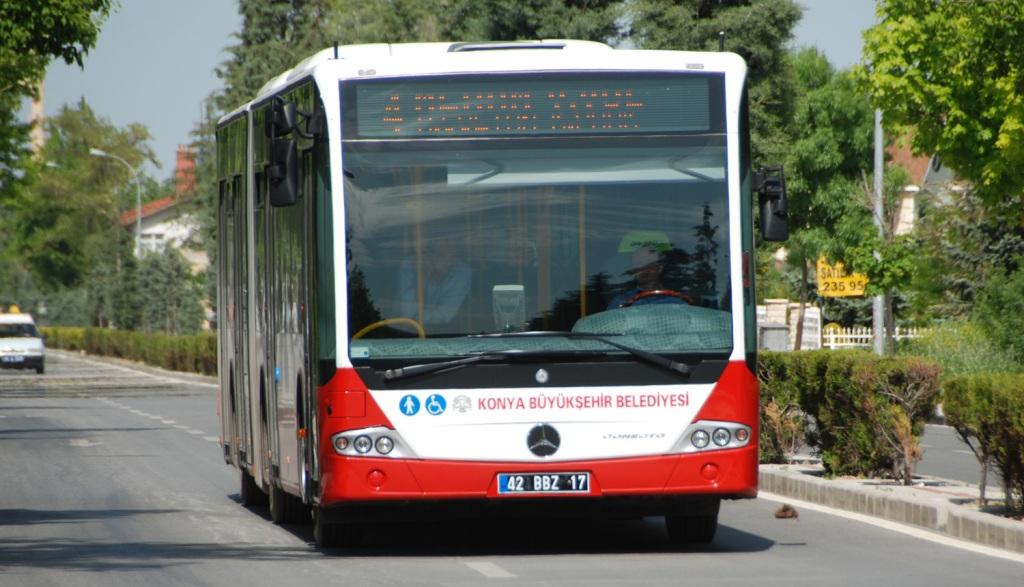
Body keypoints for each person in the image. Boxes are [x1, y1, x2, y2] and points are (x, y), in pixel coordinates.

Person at [398, 232, 471, 326]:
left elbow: (445, 315)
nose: (433, 259)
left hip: (447, 333)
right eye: (432, 252)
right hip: (403, 331)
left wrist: (415, 317)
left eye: (443, 254)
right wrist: (422, 278)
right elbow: (407, 312)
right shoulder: (409, 265)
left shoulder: (462, 272)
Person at [607, 230, 690, 309]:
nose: (644, 269)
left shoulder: (678, 301)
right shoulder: (621, 302)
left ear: (659, 268)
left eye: (649, 264)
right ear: (633, 270)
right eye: (639, 264)